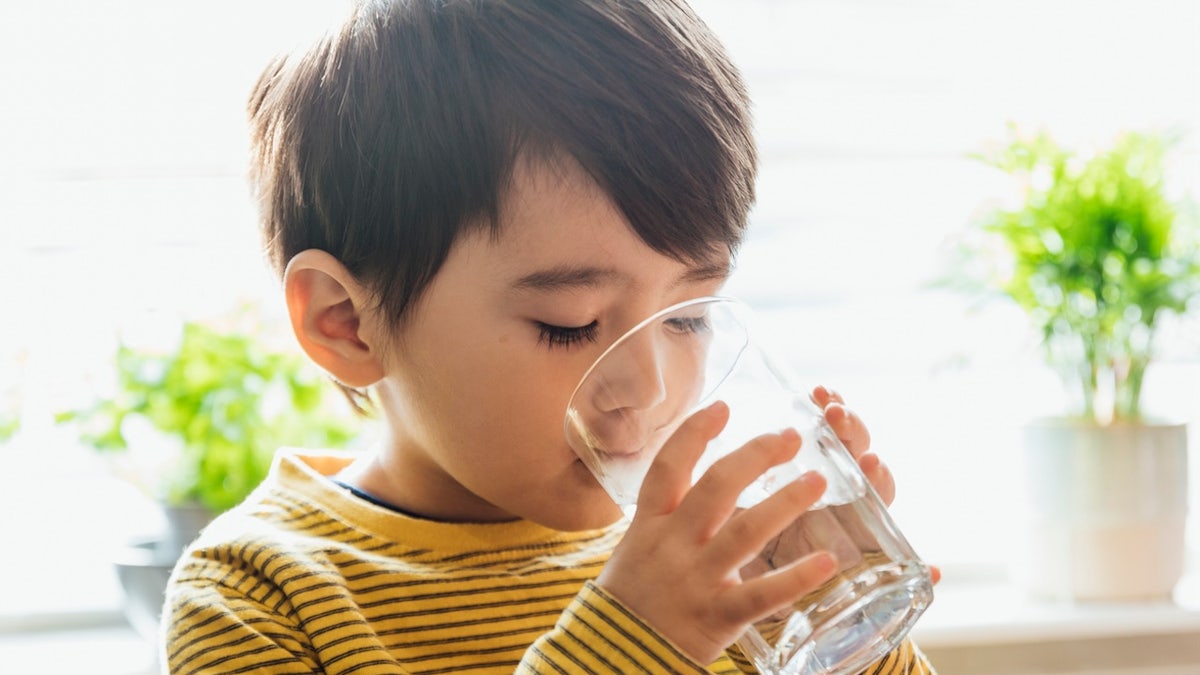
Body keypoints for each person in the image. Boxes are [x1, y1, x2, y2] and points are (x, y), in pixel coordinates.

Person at [162, 0, 935, 673]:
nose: (652, 390)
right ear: (345, 322)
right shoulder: (254, 597)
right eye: (572, 326)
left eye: (692, 315)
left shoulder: (708, 551)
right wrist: (632, 644)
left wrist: (842, 626)